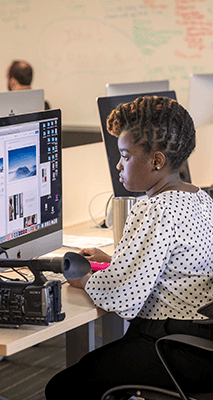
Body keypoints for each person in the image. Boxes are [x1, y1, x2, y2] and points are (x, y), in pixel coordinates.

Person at [45, 96, 213, 399]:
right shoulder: (201, 199)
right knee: (91, 367)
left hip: (173, 345)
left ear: (156, 161)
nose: (118, 164)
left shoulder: (154, 210)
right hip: (203, 344)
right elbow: (173, 265)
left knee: (64, 388)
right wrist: (117, 262)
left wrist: (83, 278)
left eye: (125, 155)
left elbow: (124, 297)